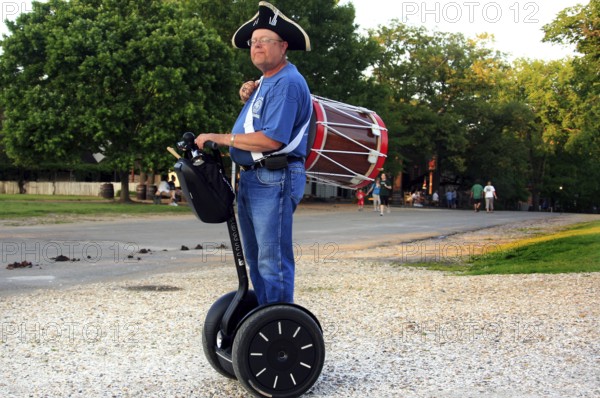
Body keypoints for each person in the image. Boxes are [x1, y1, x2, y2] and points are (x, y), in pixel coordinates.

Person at [194, 2, 312, 305]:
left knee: (271, 261)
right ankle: (262, 322)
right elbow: (257, 120)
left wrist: (219, 138)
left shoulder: (287, 83)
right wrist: (247, 92)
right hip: (254, 178)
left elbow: (272, 139)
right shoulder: (266, 82)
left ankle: (278, 329)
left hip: (275, 176)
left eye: (264, 41)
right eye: (253, 42)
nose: (256, 46)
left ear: (283, 46)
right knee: (258, 259)